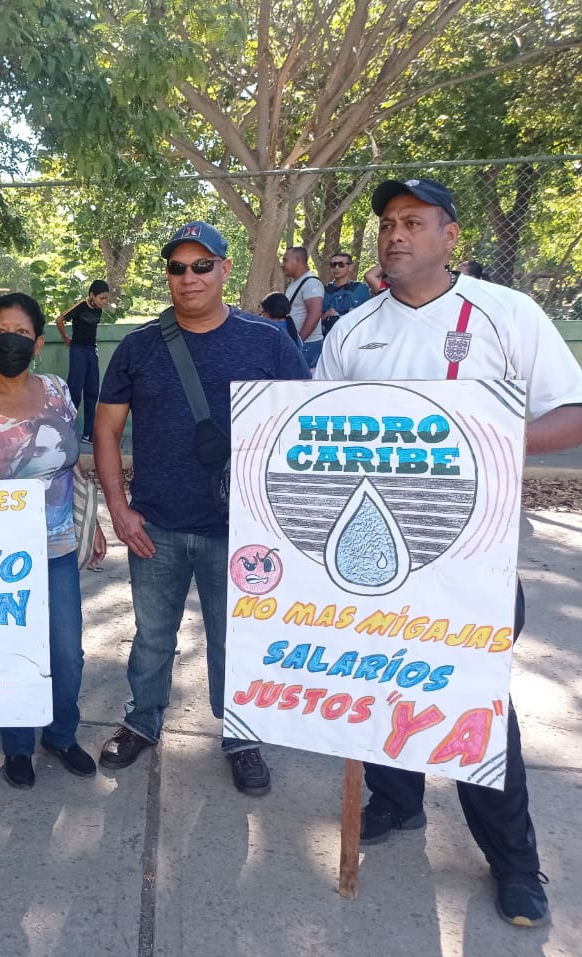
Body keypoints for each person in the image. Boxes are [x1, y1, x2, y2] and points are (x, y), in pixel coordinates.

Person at [317, 177, 582, 928]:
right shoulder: (351, 329)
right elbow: (313, 431)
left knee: (473, 708)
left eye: (413, 222)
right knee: (377, 687)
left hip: (474, 563)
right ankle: (397, 803)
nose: (394, 235)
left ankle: (516, 863)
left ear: (450, 235)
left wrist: (492, 442)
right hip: (374, 562)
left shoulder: (506, 315)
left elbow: (572, 411)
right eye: (386, 224)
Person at [94, 221, 309, 794]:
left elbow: (301, 429)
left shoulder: (268, 342)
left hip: (241, 530)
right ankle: (142, 722)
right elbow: (107, 430)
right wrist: (118, 507)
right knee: (153, 635)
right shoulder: (140, 346)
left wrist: (286, 519)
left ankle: (241, 735)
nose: (188, 277)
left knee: (233, 639)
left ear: (224, 269)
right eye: (177, 267)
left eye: (201, 265)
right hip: (155, 524)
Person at [0, 292, 96, 789]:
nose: (13, 340)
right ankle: (16, 746)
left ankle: (62, 734)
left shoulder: (57, 391)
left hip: (57, 549)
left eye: (23, 333)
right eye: (3, 332)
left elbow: (71, 463)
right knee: (10, 651)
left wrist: (90, 525)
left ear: (39, 343)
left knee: (66, 652)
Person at [54, 280, 109, 443]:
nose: (104, 302)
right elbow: (59, 319)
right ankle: (67, 430)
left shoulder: (98, 311)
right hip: (78, 351)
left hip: (92, 351)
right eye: (101, 298)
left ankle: (88, 433)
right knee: (75, 391)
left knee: (92, 392)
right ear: (91, 295)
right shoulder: (80, 306)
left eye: (106, 298)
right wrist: (65, 338)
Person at [281, 246, 324, 367]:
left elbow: (315, 314)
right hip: (300, 344)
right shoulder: (295, 284)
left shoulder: (311, 283)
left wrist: (298, 342)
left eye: (285, 260)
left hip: (308, 345)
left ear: (297, 260)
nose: (282, 264)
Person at [319, 251, 370, 335]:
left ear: (350, 267)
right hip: (329, 336)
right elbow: (314, 318)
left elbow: (369, 316)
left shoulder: (361, 289)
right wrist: (326, 315)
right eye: (333, 265)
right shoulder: (323, 290)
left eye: (341, 264)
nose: (336, 268)